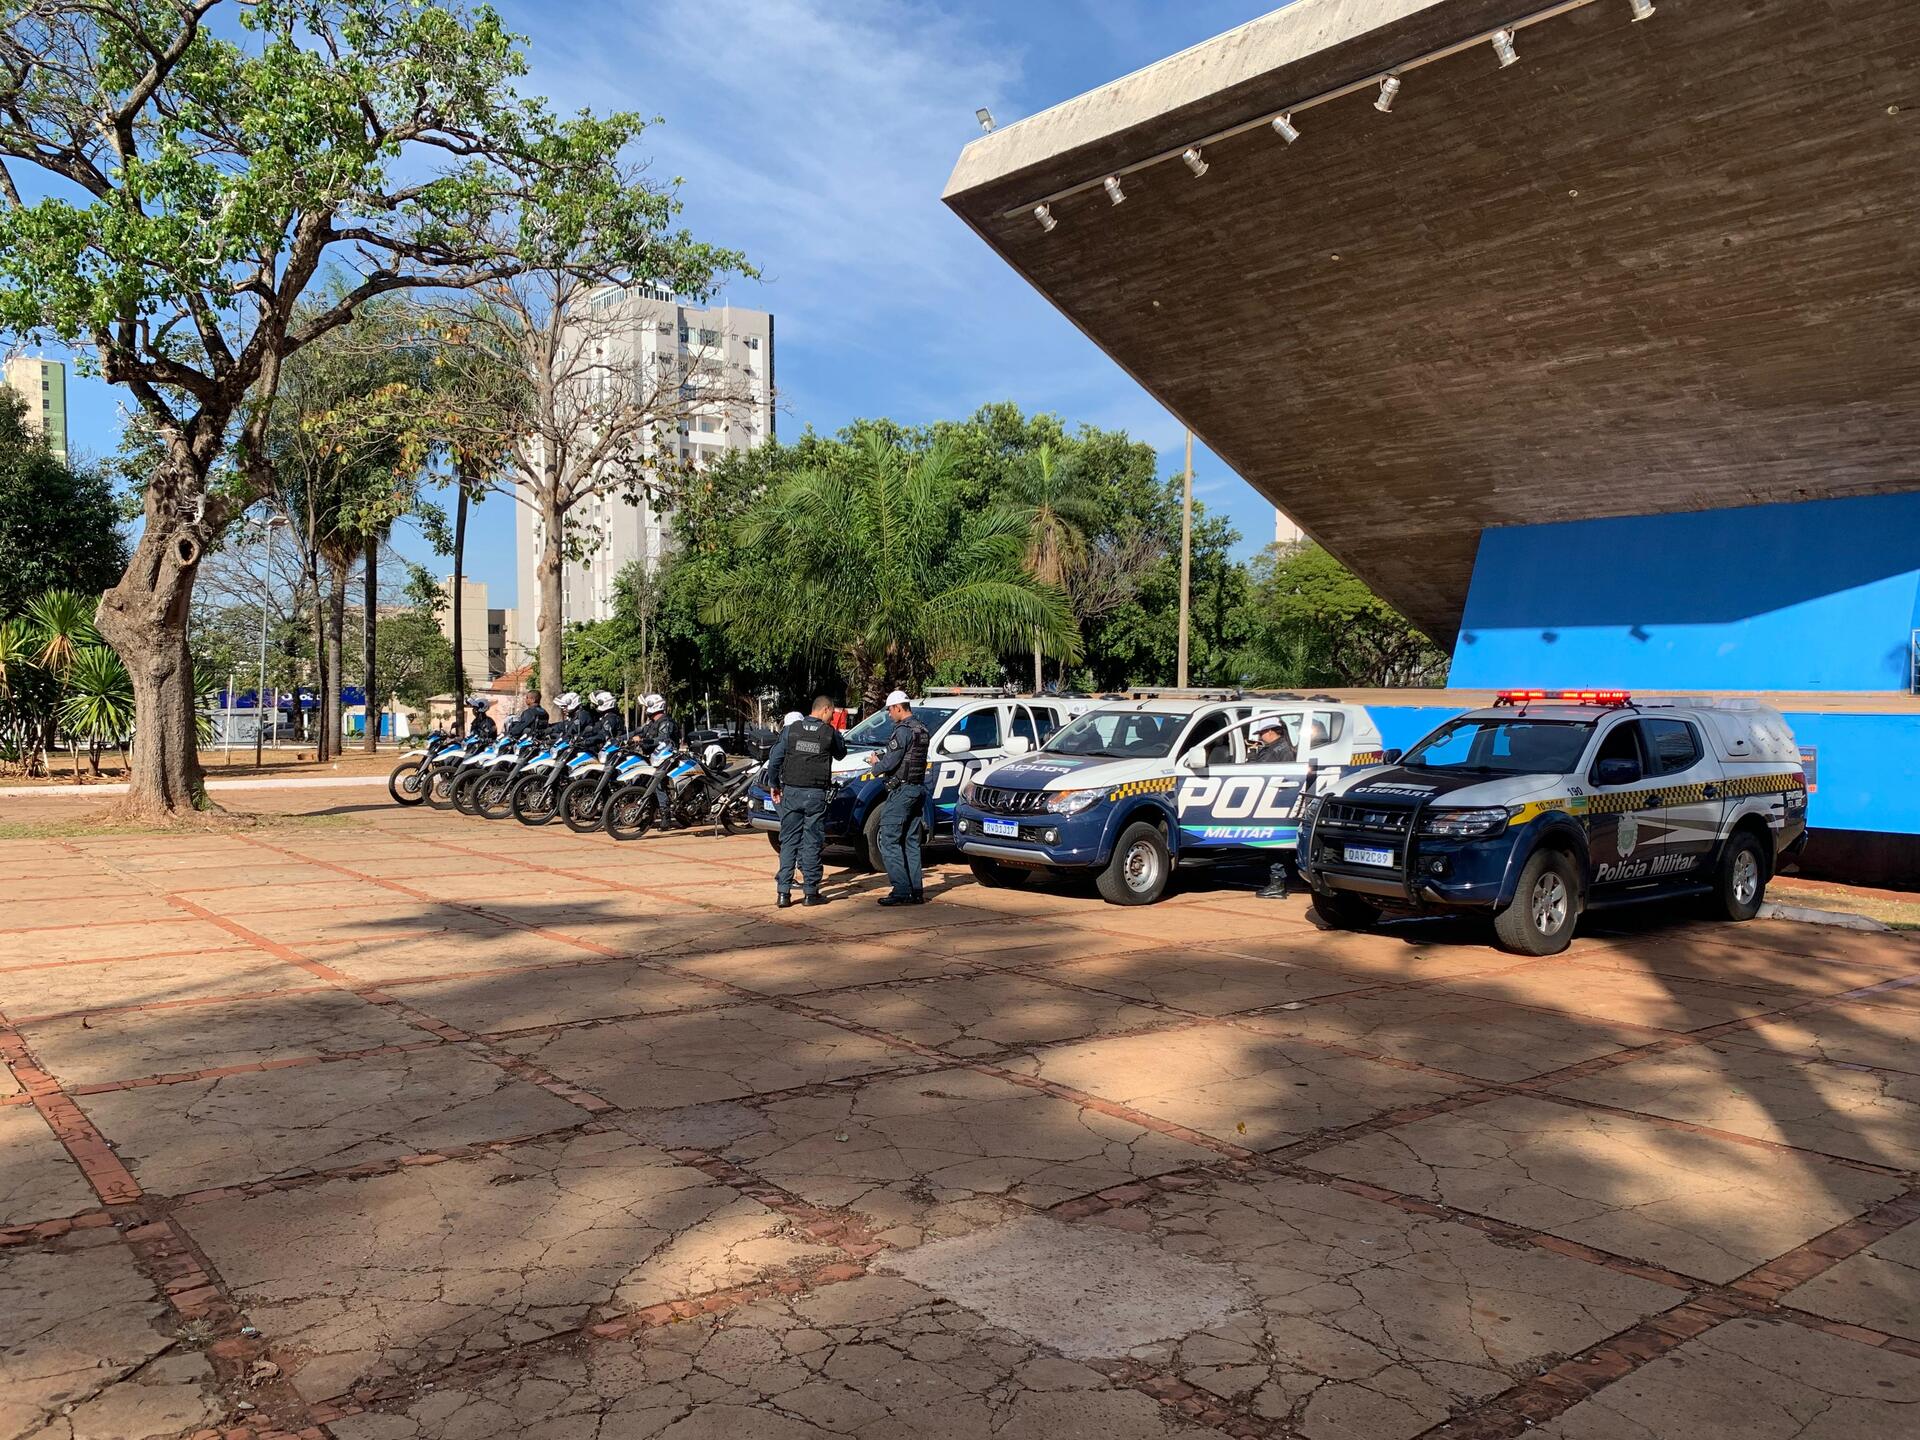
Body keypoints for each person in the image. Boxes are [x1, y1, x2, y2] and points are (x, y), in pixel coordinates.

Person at [765, 695, 846, 908]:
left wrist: (774, 784)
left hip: (791, 793)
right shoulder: (829, 733)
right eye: (832, 713)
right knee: (812, 841)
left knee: (789, 841)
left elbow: (775, 760)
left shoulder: (791, 730)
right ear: (826, 709)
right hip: (816, 795)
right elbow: (841, 753)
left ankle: (783, 892)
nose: (832, 717)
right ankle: (811, 892)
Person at [866, 689, 930, 906]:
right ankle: (916, 890)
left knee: (889, 839)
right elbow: (910, 759)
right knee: (911, 840)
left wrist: (876, 764)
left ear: (898, 707)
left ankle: (901, 890)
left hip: (902, 791)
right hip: (917, 789)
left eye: (889, 710)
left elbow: (891, 762)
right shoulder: (922, 728)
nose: (889, 715)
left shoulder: (902, 731)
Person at [1247, 718, 1297, 900]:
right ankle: (1282, 881)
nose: (1260, 738)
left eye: (1261, 734)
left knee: (1272, 842)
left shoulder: (1274, 750)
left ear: (1270, 732)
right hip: (1280, 799)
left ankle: (1277, 884)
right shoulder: (1286, 746)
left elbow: (1256, 771)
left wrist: (1252, 755)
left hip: (1273, 801)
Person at [642, 694, 684, 830]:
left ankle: (666, 816)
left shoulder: (666, 722)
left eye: (647, 706)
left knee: (658, 784)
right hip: (654, 757)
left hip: (666, 759)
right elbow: (638, 731)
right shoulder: (653, 723)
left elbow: (663, 739)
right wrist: (624, 737)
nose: (646, 709)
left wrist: (644, 741)